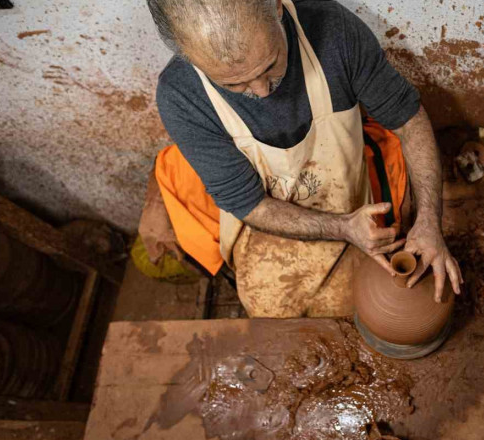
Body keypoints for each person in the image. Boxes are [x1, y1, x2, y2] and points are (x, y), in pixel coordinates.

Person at [147, 0, 461, 317]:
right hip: (267, 215)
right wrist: (342, 228)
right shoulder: (180, 95)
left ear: (278, 7)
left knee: (364, 306)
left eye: (270, 65)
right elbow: (247, 203)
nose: (263, 90)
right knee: (267, 307)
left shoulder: (332, 30)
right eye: (234, 84)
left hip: (349, 193)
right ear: (188, 57)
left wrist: (429, 221)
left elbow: (408, 121)